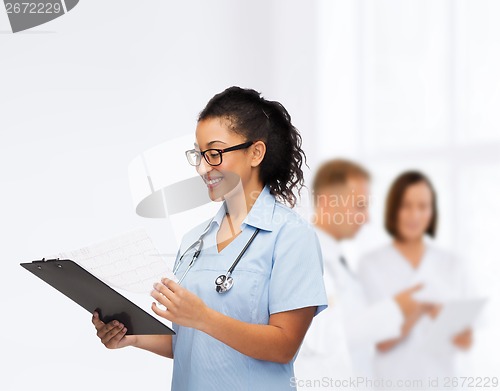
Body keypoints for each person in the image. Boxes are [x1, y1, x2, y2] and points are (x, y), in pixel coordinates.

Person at [91, 86, 328, 391]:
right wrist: (132, 337)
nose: (203, 168)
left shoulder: (292, 237)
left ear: (255, 152)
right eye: (199, 155)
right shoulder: (194, 240)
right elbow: (190, 342)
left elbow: (283, 346)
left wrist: (204, 317)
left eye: (214, 154)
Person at [294, 160, 424, 388]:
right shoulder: (304, 257)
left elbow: (357, 334)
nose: (366, 218)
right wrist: (395, 309)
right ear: (327, 203)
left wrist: (402, 319)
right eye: (360, 206)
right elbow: (323, 339)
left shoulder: (338, 260)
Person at [358, 171, 473, 383]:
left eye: (422, 206)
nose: (414, 215)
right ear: (393, 210)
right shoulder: (371, 264)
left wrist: (441, 318)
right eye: (406, 206)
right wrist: (420, 309)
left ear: (432, 212)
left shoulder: (452, 264)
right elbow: (378, 342)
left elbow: (465, 341)